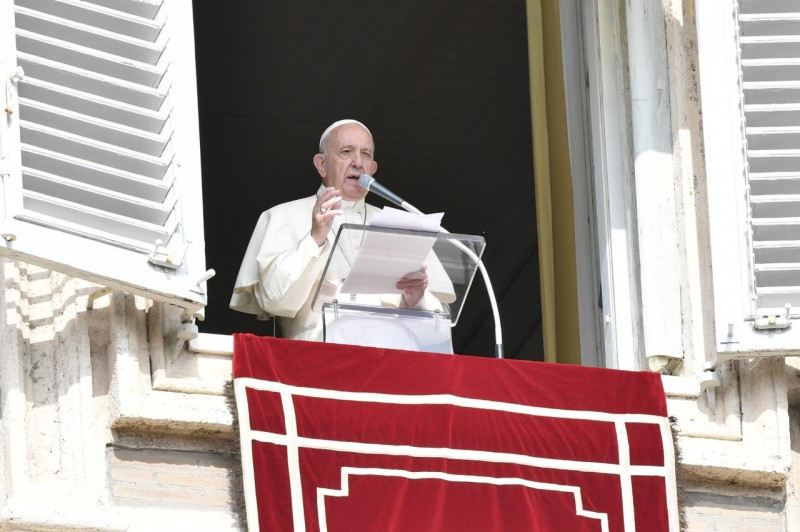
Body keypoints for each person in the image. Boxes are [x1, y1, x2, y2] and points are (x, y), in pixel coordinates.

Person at [230, 119, 452, 343]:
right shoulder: (281, 216)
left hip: (394, 355)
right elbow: (274, 301)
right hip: (319, 355)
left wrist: (417, 298)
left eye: (366, 154)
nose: (358, 162)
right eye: (346, 152)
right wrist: (315, 238)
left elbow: (440, 333)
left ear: (373, 168)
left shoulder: (401, 226)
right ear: (322, 165)